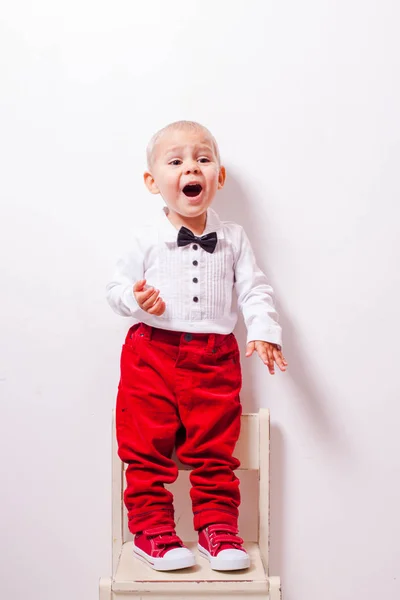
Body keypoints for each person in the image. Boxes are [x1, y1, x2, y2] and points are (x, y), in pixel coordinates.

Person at [106, 120, 287, 572]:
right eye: (177, 160)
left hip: (214, 358)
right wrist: (134, 298)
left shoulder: (234, 239)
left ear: (218, 177)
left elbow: (254, 290)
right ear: (154, 182)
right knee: (144, 446)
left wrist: (264, 330)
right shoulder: (144, 238)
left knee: (214, 448)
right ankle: (151, 530)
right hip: (150, 354)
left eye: (203, 159)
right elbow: (114, 288)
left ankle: (217, 528)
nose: (192, 167)